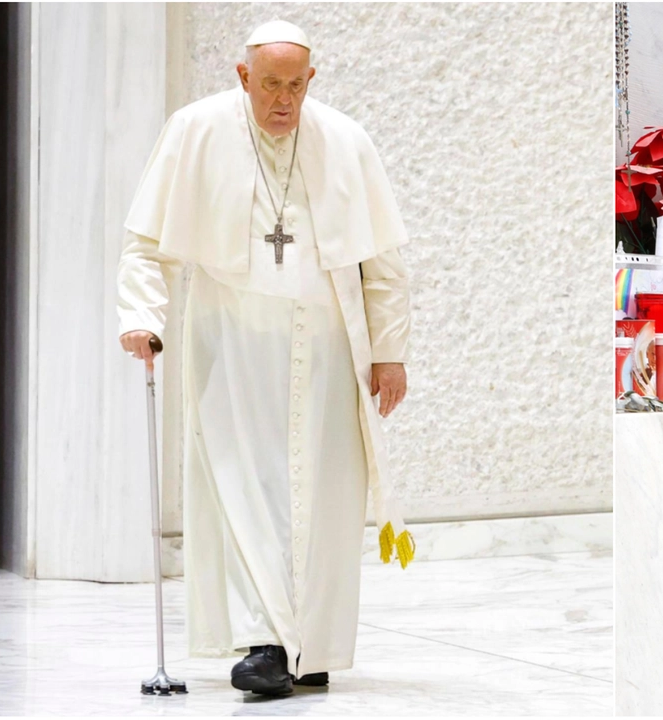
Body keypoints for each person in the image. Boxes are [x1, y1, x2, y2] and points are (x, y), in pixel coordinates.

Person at [116, 20, 416, 696]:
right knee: (244, 488)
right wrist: (141, 318)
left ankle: (309, 647)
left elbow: (384, 262)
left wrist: (390, 351)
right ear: (242, 76)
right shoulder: (195, 131)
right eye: (269, 86)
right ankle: (266, 643)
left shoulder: (346, 141)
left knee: (325, 494)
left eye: (295, 86)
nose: (283, 101)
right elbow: (145, 242)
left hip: (331, 341)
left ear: (313, 80)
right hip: (232, 338)